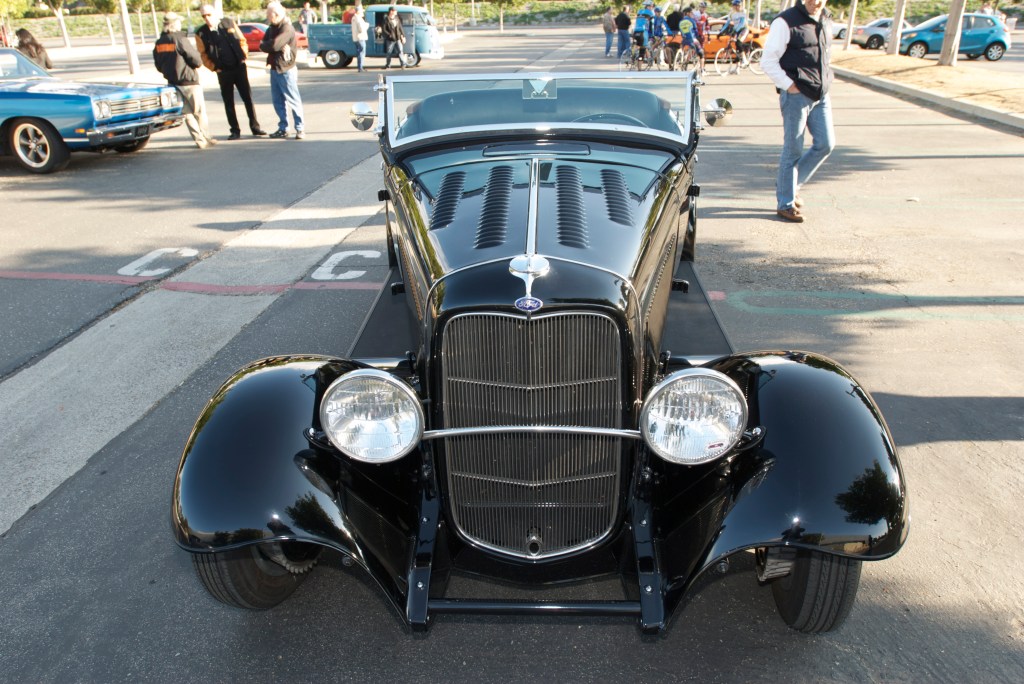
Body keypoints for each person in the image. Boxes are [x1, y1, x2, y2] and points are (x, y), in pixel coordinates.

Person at [760, 0, 835, 223]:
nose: (816, 2)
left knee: (826, 144)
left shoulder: (826, 18)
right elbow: (768, 61)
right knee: (793, 150)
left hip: (820, 94)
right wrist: (789, 86)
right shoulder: (785, 21)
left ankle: (790, 185)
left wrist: (827, 79)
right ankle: (785, 203)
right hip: (796, 95)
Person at [195, 5, 266, 140]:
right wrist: (214, 68)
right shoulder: (201, 33)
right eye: (203, 16)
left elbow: (242, 40)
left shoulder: (228, 23)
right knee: (228, 101)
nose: (207, 18)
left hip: (239, 67)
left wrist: (243, 57)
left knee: (247, 98)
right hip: (223, 71)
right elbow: (203, 54)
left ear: (215, 14)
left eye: (209, 15)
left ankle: (255, 127)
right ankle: (234, 130)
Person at [153, 13, 217, 149]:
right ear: (175, 24)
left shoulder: (159, 43)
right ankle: (206, 137)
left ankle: (199, 140)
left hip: (172, 82)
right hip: (189, 81)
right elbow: (197, 60)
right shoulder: (180, 39)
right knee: (199, 112)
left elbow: (158, 65)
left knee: (187, 113)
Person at [262, 1, 305, 139]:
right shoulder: (271, 28)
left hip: (286, 69)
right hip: (274, 68)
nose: (267, 17)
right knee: (278, 101)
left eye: (268, 14)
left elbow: (274, 45)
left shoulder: (287, 28)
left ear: (275, 14)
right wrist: (270, 45)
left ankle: (300, 128)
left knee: (293, 100)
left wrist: (271, 45)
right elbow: (262, 44)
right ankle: (283, 128)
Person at [351, 5, 369, 72]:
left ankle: (360, 67)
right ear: (358, 11)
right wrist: (367, 25)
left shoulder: (354, 18)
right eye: (362, 11)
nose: (363, 13)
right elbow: (361, 29)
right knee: (362, 53)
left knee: (359, 53)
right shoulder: (359, 18)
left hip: (356, 38)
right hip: (360, 38)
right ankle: (360, 67)